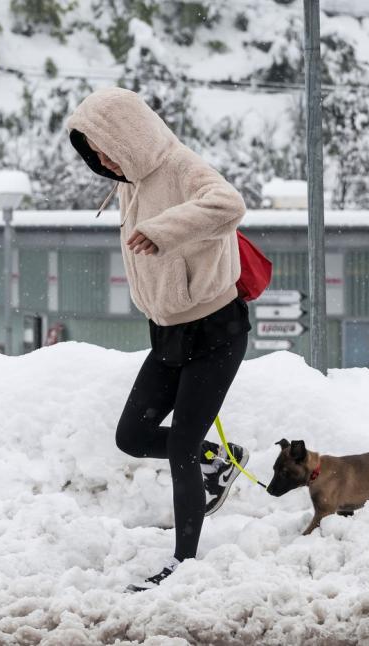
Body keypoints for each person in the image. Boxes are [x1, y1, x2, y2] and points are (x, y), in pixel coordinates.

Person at [67, 87, 252, 592]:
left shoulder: (179, 164)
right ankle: (220, 459)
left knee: (182, 450)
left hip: (217, 329)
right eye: (93, 153)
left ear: (129, 136)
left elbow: (228, 204)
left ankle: (184, 564)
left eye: (104, 147)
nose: (101, 160)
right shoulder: (130, 180)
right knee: (131, 435)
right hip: (169, 333)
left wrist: (166, 229)